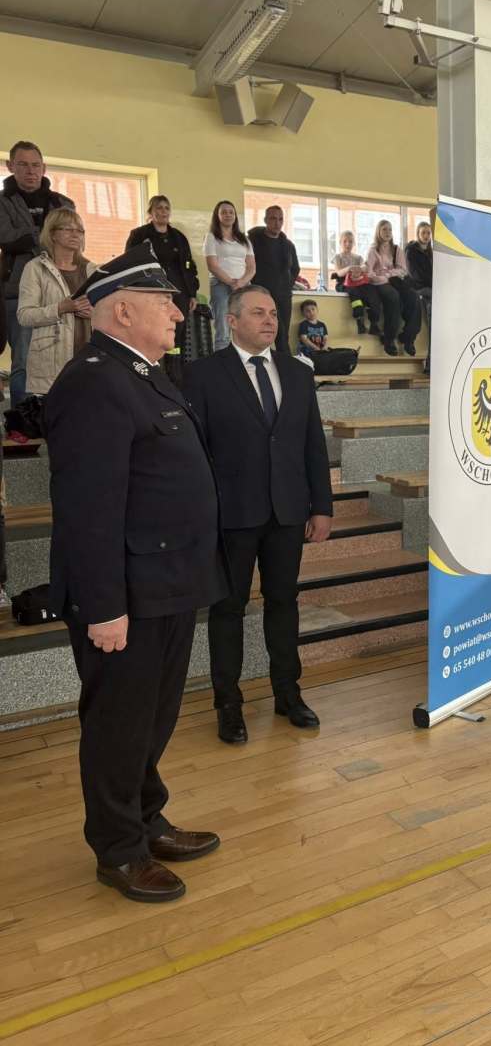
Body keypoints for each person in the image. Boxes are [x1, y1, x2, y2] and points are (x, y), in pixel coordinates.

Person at [44, 244, 228, 902]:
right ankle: (119, 849)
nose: (179, 314)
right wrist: (103, 607)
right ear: (123, 311)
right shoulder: (94, 382)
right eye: (165, 303)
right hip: (127, 593)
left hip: (168, 584)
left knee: (152, 719)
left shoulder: (143, 374)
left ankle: (147, 820)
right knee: (119, 725)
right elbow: (88, 509)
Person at [182, 285, 333, 744]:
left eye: (273, 313)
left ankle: (288, 693)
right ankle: (228, 704)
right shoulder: (203, 375)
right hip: (231, 515)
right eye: (258, 313)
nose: (270, 320)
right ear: (231, 321)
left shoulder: (298, 373)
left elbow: (313, 444)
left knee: (283, 603)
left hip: (287, 512)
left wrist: (322, 506)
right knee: (227, 609)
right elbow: (194, 453)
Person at [0, 141, 73, 406]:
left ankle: (57, 415)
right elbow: (7, 237)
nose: (30, 171)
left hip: (61, 291)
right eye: (23, 165)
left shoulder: (63, 203)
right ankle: (22, 419)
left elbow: (73, 240)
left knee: (62, 357)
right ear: (10, 166)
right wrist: (49, 235)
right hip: (18, 292)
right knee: (24, 359)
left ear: (44, 167)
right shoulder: (2, 202)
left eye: (35, 165)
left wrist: (30, 237)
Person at [17, 208, 96, 394]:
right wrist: (61, 308)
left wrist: (95, 314)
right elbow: (24, 315)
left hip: (89, 359)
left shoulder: (92, 269)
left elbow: (107, 313)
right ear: (52, 234)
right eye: (68, 229)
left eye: (80, 230)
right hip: (52, 363)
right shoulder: (35, 268)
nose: (75, 234)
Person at [125, 196, 199, 360]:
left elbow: (189, 267)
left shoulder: (179, 237)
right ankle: (155, 366)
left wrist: (192, 294)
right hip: (152, 290)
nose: (163, 211)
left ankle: (175, 370)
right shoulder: (139, 235)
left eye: (166, 208)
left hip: (179, 292)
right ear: (151, 212)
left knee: (176, 333)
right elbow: (130, 263)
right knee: (154, 329)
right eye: (159, 208)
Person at [247, 206, 300, 353]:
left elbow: (295, 269)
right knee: (260, 333)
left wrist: (286, 285)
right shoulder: (254, 241)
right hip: (261, 294)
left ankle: (284, 364)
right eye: (273, 218)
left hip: (283, 295)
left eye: (280, 219)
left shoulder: (288, 245)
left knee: (282, 335)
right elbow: (248, 265)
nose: (277, 223)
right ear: (265, 220)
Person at [204, 201, 255, 351]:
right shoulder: (211, 237)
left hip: (244, 286)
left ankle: (244, 360)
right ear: (217, 216)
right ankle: (223, 362)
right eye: (224, 212)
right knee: (223, 328)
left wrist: (241, 283)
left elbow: (251, 267)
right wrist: (232, 283)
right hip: (220, 285)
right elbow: (212, 266)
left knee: (246, 326)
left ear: (235, 216)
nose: (228, 215)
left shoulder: (244, 239)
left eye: (231, 212)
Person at [366, 219, 421, 357]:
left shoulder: (397, 250)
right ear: (378, 232)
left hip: (395, 280)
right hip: (380, 283)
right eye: (384, 229)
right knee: (393, 297)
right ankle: (389, 339)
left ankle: (408, 338)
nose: (388, 232)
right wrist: (381, 277)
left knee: (414, 297)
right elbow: (369, 273)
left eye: (390, 229)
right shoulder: (373, 250)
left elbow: (403, 270)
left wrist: (389, 274)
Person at [332, 230, 380, 336]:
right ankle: (359, 320)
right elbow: (339, 272)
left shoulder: (358, 258)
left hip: (359, 281)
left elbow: (365, 267)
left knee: (371, 290)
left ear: (354, 243)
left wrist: (359, 269)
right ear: (340, 242)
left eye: (350, 241)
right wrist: (349, 268)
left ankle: (374, 323)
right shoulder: (338, 257)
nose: (348, 244)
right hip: (344, 283)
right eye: (345, 241)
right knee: (354, 292)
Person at [405, 220, 433, 374]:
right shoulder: (411, 251)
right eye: (423, 233)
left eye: (428, 233)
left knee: (436, 326)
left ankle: (431, 363)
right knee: (432, 317)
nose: (426, 236)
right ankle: (430, 364)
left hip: (432, 289)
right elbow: (415, 275)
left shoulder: (432, 252)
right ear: (418, 234)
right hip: (420, 289)